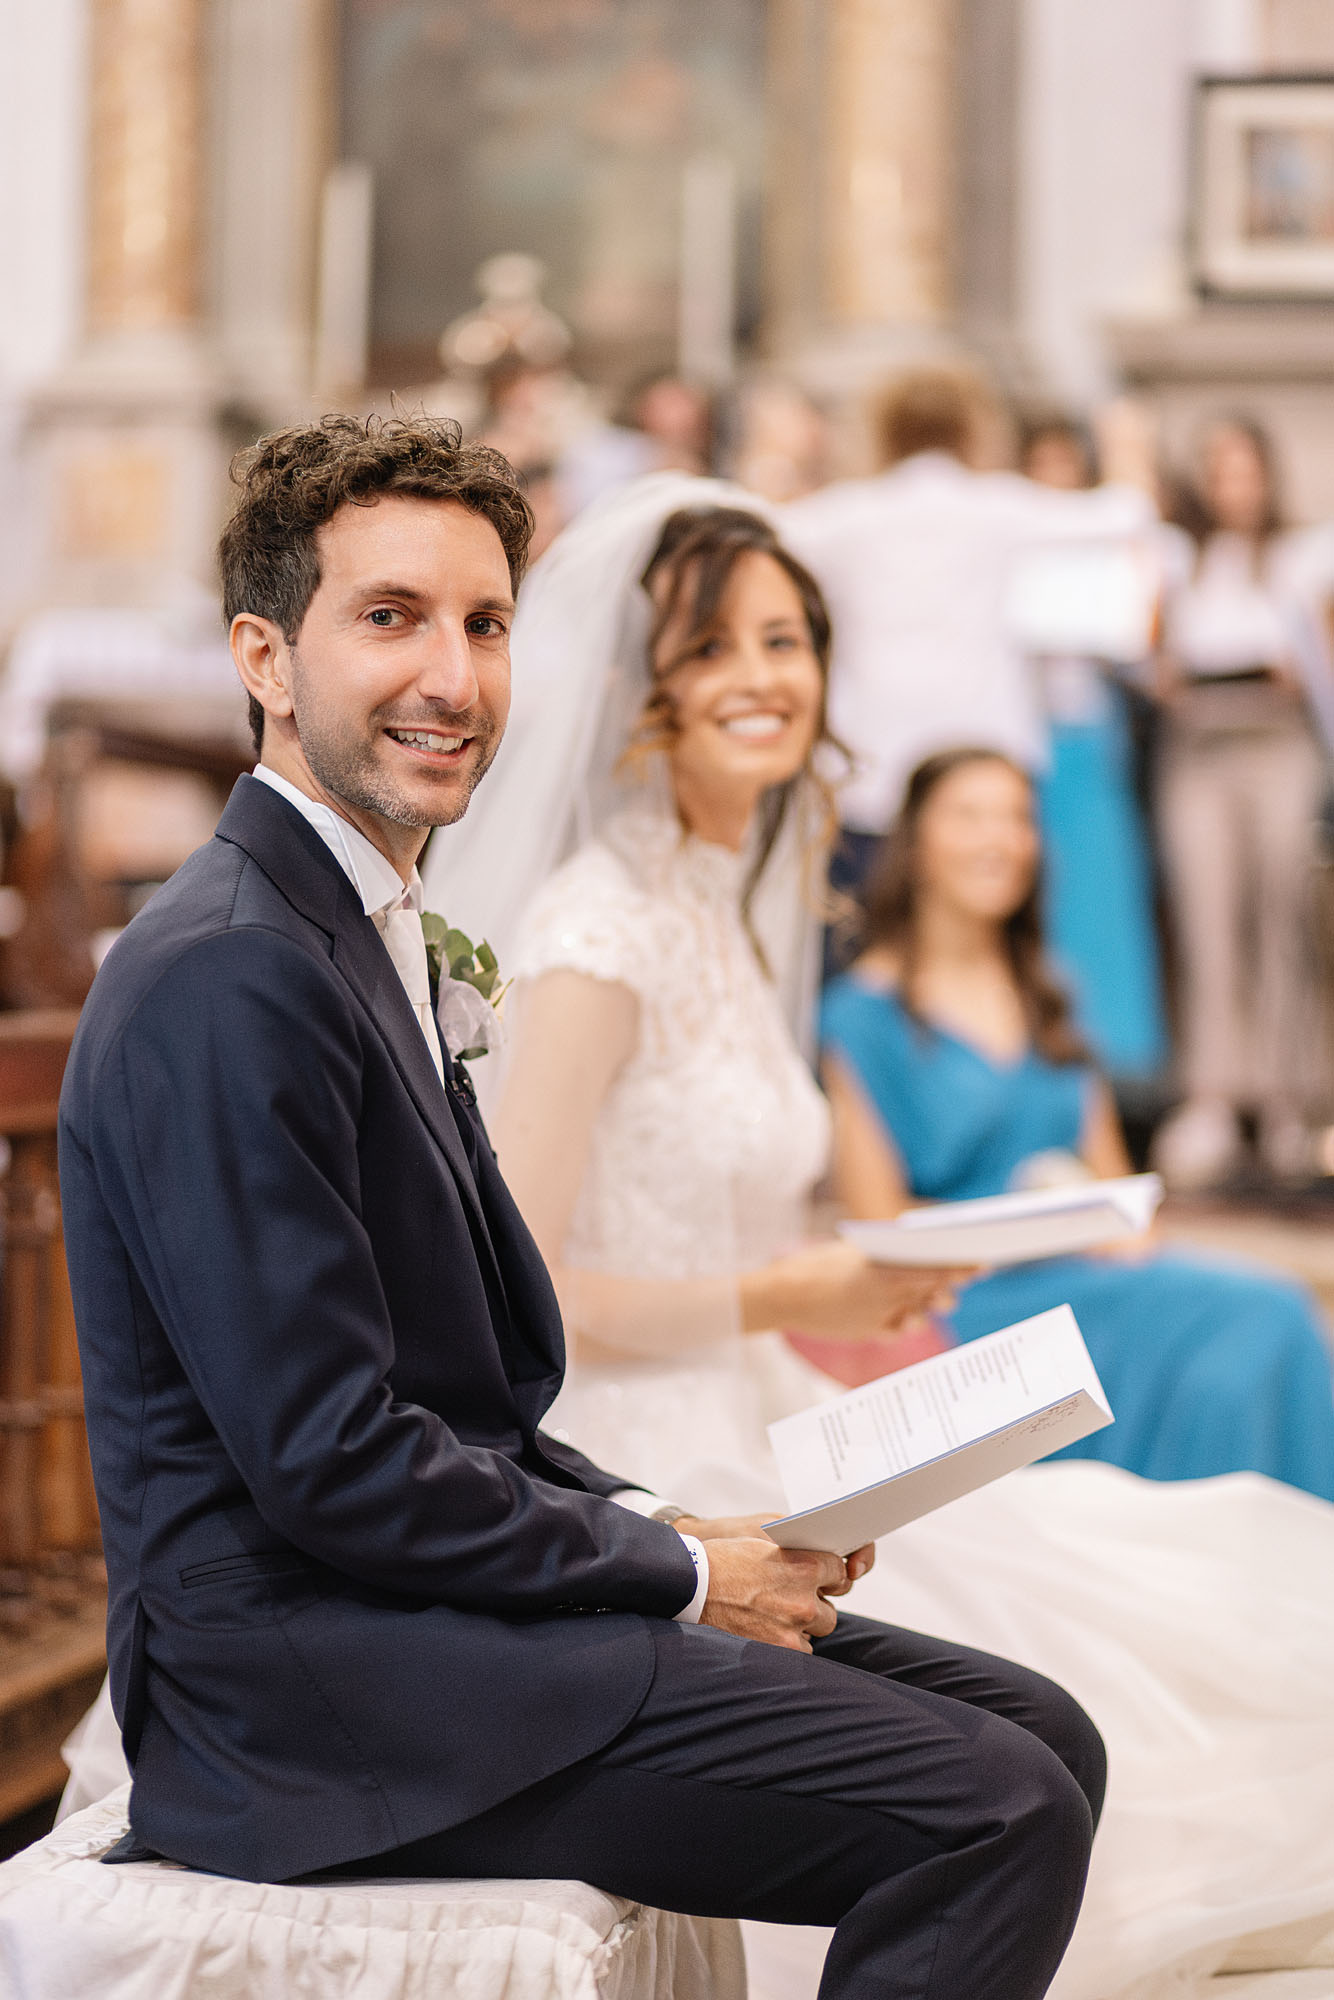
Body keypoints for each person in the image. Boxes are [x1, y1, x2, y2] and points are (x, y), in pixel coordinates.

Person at [57, 417, 1104, 2000]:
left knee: (1048, 1735)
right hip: (312, 1688)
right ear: (265, 655)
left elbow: (465, 1399)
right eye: (390, 618)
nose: (455, 680)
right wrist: (678, 1579)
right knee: (993, 1810)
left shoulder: (360, 926)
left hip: (434, 1619)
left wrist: (696, 1528)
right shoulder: (226, 976)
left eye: (484, 625)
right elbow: (331, 1456)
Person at [419, 479, 1334, 2000]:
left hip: (775, 1388)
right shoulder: (594, 932)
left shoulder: (725, 902)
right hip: (641, 1449)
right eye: (712, 648)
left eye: (786, 639)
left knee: (1185, 1579)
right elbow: (521, 1294)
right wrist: (800, 1288)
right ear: (643, 686)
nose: (762, 677)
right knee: (1124, 1682)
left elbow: (736, 1192)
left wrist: (874, 1290)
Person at [820, 746, 1334, 1498]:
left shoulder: (1050, 992)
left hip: (1093, 1270)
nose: (999, 838)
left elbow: (1113, 1179)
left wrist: (1117, 1226)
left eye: (1017, 818)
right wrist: (1013, 1226)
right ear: (917, 844)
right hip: (973, 1300)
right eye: (970, 816)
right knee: (1255, 1321)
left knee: (1267, 1321)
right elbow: (876, 1223)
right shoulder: (860, 1016)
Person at [781, 366, 1158, 915]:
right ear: (973, 430)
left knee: (867, 927)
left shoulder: (852, 513)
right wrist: (1128, 445)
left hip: (871, 763)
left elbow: (761, 529)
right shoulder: (996, 506)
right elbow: (1127, 516)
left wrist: (780, 453)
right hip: (980, 755)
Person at [1152, 416, 1334, 1188]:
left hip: (1280, 745)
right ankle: (1214, 1096)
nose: (1235, 489)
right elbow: (1144, 650)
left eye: (1245, 471)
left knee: (1282, 919)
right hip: (1199, 748)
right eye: (1220, 473)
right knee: (1208, 918)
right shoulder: (1178, 560)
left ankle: (1295, 1100)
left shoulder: (1303, 556)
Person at [1015, 415, 1168, 1086]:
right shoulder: (1008, 547)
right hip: (1025, 745)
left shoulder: (1105, 552)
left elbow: (1141, 646)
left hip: (1091, 744)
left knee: (1098, 913)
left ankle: (1111, 1066)